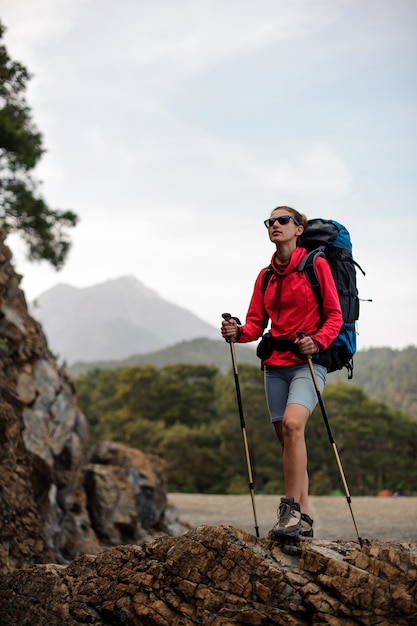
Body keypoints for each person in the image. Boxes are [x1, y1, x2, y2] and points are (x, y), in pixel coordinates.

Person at [220, 205, 343, 539]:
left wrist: (316, 342)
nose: (274, 225)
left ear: (299, 229)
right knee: (288, 442)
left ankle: (290, 511)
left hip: (308, 363)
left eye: (282, 220)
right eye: (270, 221)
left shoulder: (316, 265)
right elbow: (256, 325)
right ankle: (303, 518)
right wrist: (237, 332)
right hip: (274, 367)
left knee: (292, 426)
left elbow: (335, 316)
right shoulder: (266, 275)